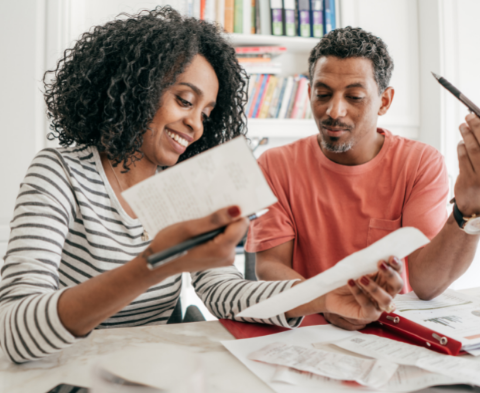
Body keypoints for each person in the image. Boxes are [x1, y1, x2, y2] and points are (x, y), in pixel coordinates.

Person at [0, 9, 403, 364]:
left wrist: (321, 296)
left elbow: (223, 291)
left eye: (207, 114)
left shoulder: (183, 188)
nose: (196, 125)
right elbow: (14, 332)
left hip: (150, 367)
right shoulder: (60, 174)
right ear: (134, 87)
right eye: (184, 101)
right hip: (68, 368)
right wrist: (154, 265)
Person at [246, 26, 480, 330]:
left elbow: (427, 284)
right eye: (322, 94)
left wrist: (469, 207)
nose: (334, 110)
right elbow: (269, 265)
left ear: (384, 101)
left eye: (354, 97)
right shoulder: (275, 164)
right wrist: (327, 301)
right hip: (306, 330)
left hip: (391, 332)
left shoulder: (420, 163)